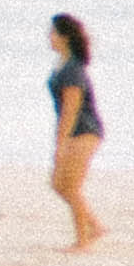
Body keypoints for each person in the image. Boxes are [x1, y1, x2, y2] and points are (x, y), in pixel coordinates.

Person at [45, 13, 107, 251]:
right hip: (76, 132)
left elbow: (71, 110)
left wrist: (61, 143)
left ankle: (83, 241)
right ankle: (95, 226)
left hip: (84, 131)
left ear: (64, 37)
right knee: (58, 183)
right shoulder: (63, 65)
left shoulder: (72, 70)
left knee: (69, 185)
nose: (49, 37)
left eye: (52, 33)